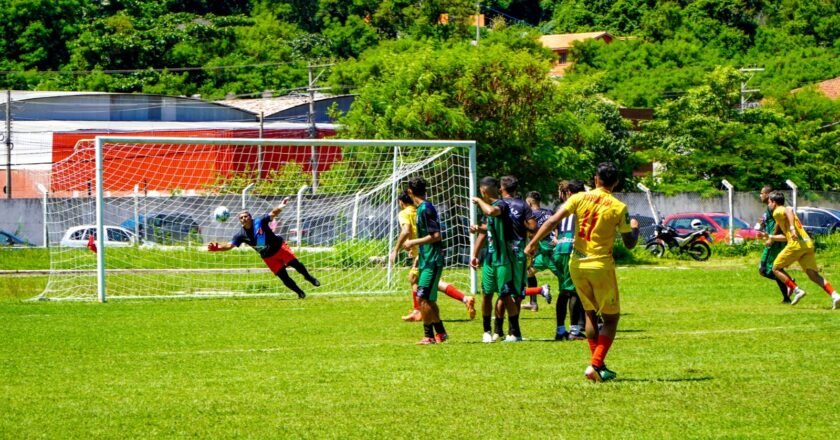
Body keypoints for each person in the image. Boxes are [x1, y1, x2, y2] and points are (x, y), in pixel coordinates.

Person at [525, 162, 640, 382]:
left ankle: (600, 366)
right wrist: (633, 226)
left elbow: (552, 220)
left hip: (576, 263)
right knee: (611, 318)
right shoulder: (618, 207)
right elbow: (630, 243)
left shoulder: (577, 198)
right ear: (615, 182)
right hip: (600, 265)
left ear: (596, 180)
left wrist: (533, 244)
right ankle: (595, 364)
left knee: (589, 313)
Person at [208, 198, 319, 299]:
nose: (243, 219)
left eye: (245, 216)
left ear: (250, 217)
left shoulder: (260, 221)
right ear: (240, 221)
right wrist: (217, 248)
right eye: (241, 218)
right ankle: (300, 293)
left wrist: (281, 205)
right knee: (284, 277)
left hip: (280, 248)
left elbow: (273, 213)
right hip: (268, 257)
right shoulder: (240, 235)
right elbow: (229, 245)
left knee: (296, 265)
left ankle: (309, 277)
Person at [391, 190, 475, 322]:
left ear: (401, 202)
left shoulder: (404, 213)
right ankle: (464, 299)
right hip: (424, 250)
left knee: (415, 278)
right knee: (425, 281)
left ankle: (419, 311)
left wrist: (396, 249)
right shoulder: (418, 210)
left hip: (425, 252)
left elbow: (406, 230)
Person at [766, 191, 840, 309]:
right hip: (807, 244)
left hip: (796, 245)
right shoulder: (780, 216)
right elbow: (786, 236)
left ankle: (796, 290)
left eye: (769, 202)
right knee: (813, 275)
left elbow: (789, 210)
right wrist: (771, 238)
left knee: (775, 268)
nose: (768, 204)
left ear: (774, 202)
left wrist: (792, 228)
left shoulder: (778, 210)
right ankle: (835, 295)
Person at [470, 176, 519, 343]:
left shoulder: (501, 205)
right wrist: (475, 255)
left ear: (483, 191)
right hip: (489, 259)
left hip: (503, 258)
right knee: (486, 294)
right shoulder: (490, 208)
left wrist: (477, 201)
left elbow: (491, 212)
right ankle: (486, 331)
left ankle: (514, 332)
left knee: (505, 295)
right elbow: (486, 230)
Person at [402, 176, 449, 344]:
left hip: (433, 260)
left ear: (410, 191)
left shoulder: (426, 209)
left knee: (422, 298)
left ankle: (429, 336)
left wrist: (413, 242)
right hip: (426, 259)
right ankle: (441, 333)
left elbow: (436, 236)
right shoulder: (422, 208)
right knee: (428, 299)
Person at [551, 180, 587, 341]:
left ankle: (560, 330)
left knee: (564, 291)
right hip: (571, 248)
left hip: (559, 248)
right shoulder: (580, 205)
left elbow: (556, 228)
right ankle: (574, 330)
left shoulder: (560, 207)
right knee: (573, 291)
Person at [755, 185, 793, 303]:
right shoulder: (769, 208)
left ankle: (790, 284)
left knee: (770, 269)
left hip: (775, 242)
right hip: (772, 240)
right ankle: (788, 287)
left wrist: (772, 239)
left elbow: (777, 223)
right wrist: (762, 225)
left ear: (768, 195)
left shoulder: (774, 208)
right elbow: (771, 223)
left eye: (762, 193)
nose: (760, 195)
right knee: (765, 270)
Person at [522, 191, 554, 313]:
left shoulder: (531, 216)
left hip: (546, 252)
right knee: (529, 273)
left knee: (567, 283)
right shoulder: (549, 212)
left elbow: (531, 233)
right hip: (551, 249)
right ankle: (533, 303)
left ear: (529, 202)